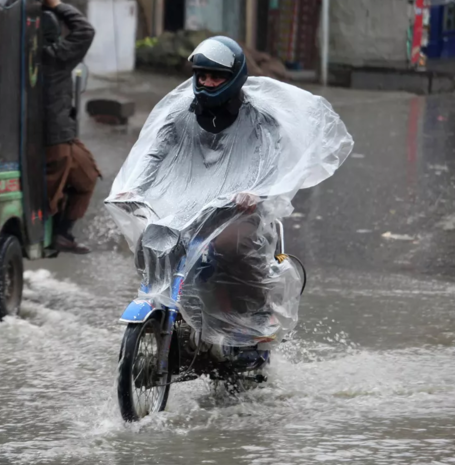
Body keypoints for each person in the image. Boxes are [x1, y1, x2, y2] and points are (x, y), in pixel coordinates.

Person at [108, 36, 353, 347]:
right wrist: (133, 188)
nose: (208, 83)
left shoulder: (259, 117)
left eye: (217, 76)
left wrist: (255, 191)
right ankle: (171, 307)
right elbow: (154, 155)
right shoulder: (181, 114)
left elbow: (268, 159)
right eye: (203, 76)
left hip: (239, 207)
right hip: (187, 206)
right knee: (153, 239)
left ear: (234, 77)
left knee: (233, 247)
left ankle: (257, 315)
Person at [42, 0, 101, 254]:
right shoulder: (55, 57)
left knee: (81, 175)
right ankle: (59, 233)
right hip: (55, 138)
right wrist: (57, 5)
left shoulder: (11, 56)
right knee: (83, 178)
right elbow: (85, 31)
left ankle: (60, 234)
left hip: (36, 137)